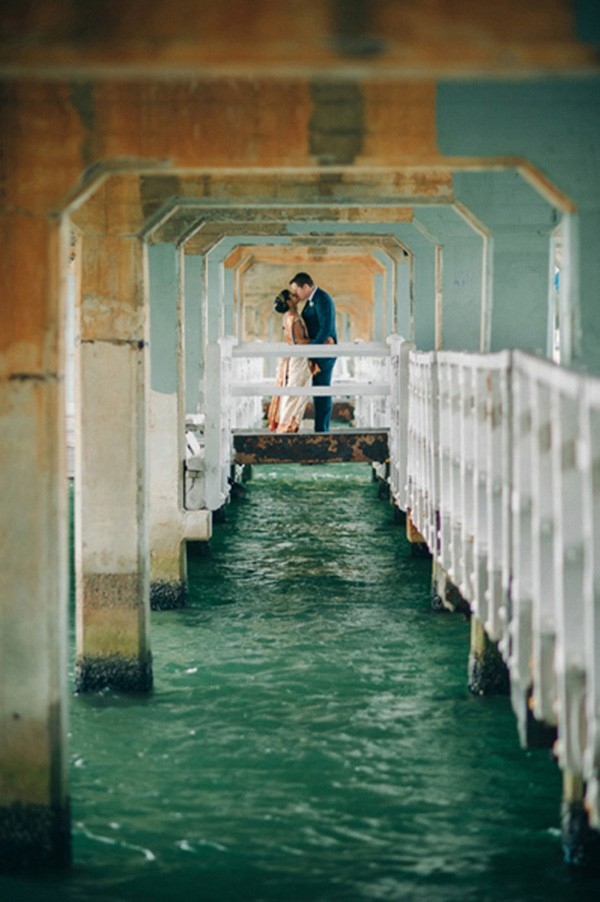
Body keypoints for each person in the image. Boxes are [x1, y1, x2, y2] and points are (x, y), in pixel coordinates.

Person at [289, 272, 337, 433]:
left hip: (323, 353)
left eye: (297, 291)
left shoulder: (322, 299)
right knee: (317, 391)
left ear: (306, 286)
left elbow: (326, 329)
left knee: (322, 391)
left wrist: (313, 350)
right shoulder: (311, 301)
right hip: (316, 351)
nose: (296, 295)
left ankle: (322, 431)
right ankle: (319, 430)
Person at [267, 289, 313, 434]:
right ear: (288, 301)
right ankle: (287, 427)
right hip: (299, 358)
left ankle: (286, 425)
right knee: (296, 391)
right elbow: (301, 341)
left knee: (292, 391)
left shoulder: (287, 316)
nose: (296, 296)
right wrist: (321, 342)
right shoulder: (294, 317)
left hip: (292, 357)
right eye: (292, 296)